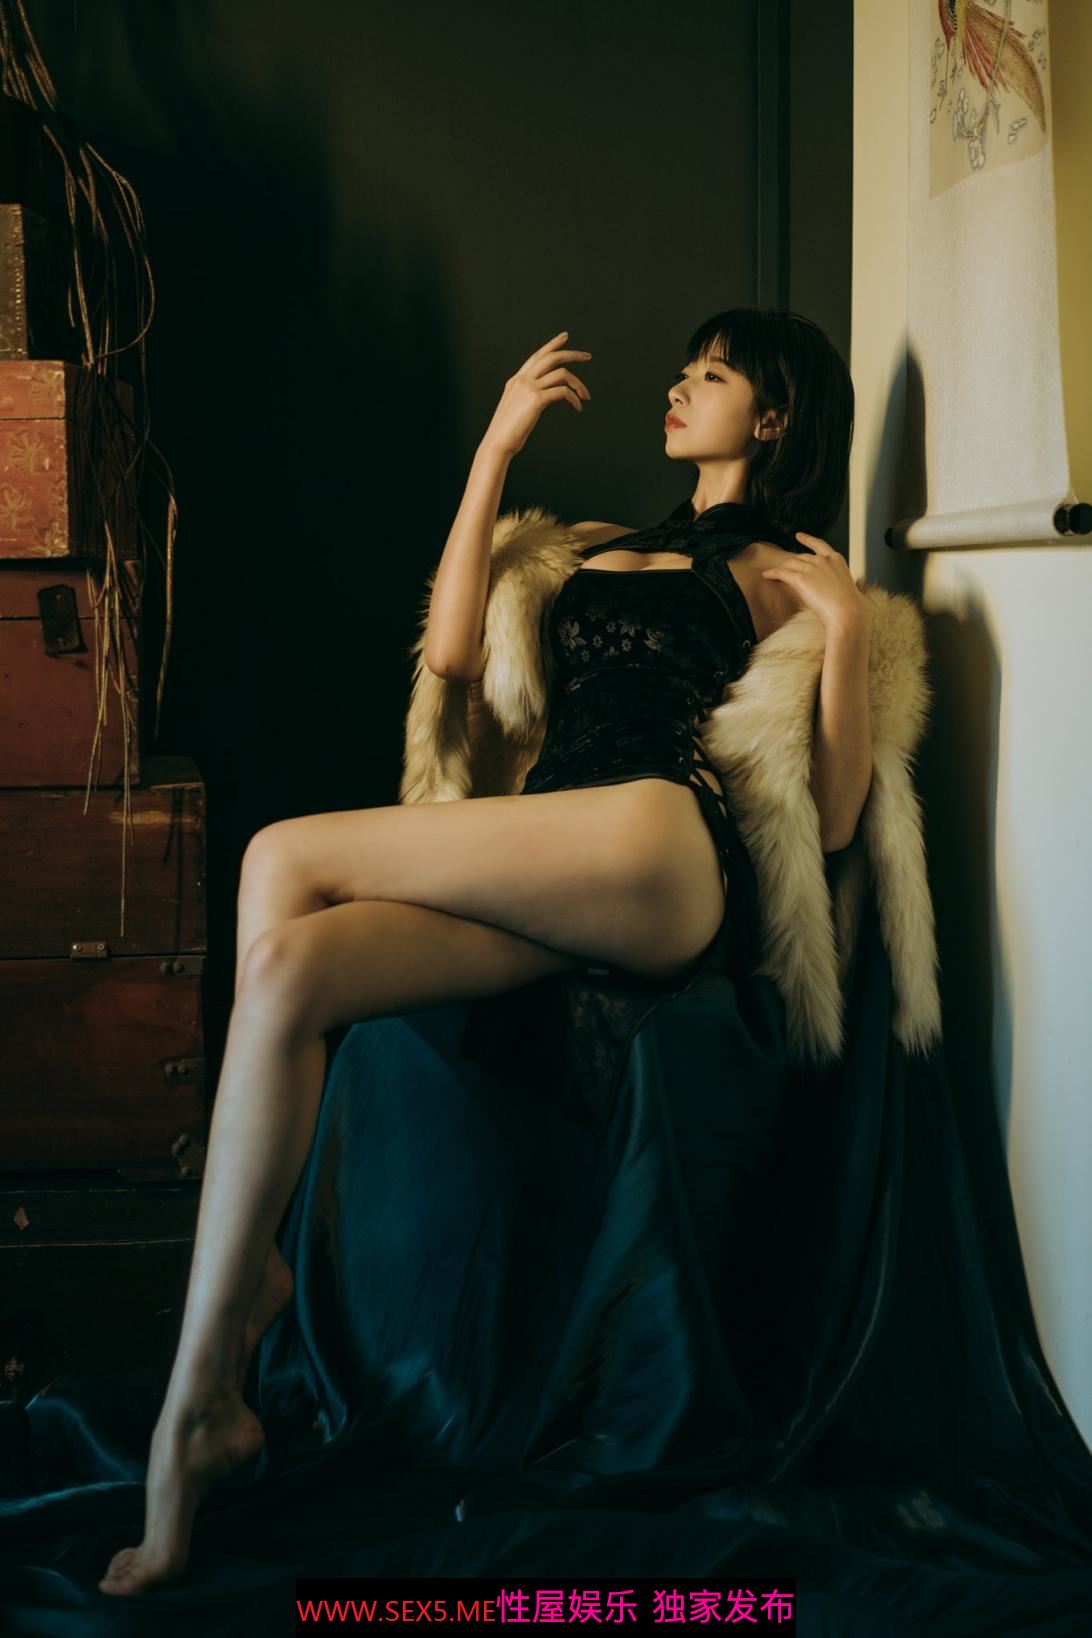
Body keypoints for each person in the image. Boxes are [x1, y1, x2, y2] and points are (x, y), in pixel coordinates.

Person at [97, 308, 870, 1595]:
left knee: (280, 857)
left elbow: (834, 820)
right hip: (553, 859)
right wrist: (496, 451)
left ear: (775, 418)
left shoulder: (786, 569)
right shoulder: (599, 544)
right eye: (682, 367)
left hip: (661, 846)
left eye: (713, 375)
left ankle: (221, 1340)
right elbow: (454, 654)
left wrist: (846, 630)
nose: (679, 387)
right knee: (290, 970)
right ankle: (207, 1396)